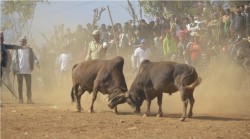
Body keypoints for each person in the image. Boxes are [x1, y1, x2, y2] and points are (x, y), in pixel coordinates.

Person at [12, 36, 40, 104]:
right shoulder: (17, 49)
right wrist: (13, 68)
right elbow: (14, 60)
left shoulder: (30, 49)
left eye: (23, 41)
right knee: (20, 86)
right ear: (19, 42)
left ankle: (29, 99)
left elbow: (34, 57)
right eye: (21, 41)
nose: (22, 42)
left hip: (28, 70)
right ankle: (20, 99)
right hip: (19, 70)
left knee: (28, 86)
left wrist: (37, 62)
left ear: (26, 42)